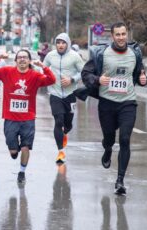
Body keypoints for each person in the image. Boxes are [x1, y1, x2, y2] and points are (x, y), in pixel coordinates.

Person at [79, 22, 147, 195]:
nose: (121, 37)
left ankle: (120, 181)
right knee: (109, 138)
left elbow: (139, 74)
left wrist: (143, 78)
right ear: (112, 36)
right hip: (107, 103)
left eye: (124, 34)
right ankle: (108, 149)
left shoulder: (135, 53)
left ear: (127, 34)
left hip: (128, 103)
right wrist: (97, 80)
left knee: (124, 139)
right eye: (118, 34)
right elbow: (85, 74)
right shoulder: (101, 54)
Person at [0, 49, 56, 183]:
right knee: (13, 151)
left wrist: (43, 67)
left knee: (25, 147)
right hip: (11, 118)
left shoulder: (35, 76)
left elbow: (52, 80)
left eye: (25, 57)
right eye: (19, 57)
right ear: (15, 60)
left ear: (29, 61)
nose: (22, 59)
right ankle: (13, 150)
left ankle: (22, 172)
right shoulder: (6, 72)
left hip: (28, 118)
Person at [43, 33, 84, 164]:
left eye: (63, 43)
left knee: (68, 124)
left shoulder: (75, 56)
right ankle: (60, 152)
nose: (60, 45)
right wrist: (44, 78)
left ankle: (65, 132)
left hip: (70, 94)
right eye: (58, 42)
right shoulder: (50, 55)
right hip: (54, 93)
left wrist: (72, 79)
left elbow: (83, 72)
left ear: (67, 44)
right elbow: (43, 68)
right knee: (58, 121)